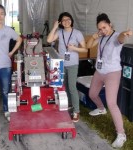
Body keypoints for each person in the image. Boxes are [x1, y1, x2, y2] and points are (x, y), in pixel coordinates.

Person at [87, 13, 132, 148]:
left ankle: (121, 134)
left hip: (112, 73)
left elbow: (121, 38)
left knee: (112, 103)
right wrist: (95, 36)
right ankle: (101, 109)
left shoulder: (116, 36)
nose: (103, 30)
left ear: (110, 24)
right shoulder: (101, 37)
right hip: (99, 71)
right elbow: (89, 46)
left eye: (104, 27)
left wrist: (125, 32)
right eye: (100, 28)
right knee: (92, 94)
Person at [47, 12, 87, 122]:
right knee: (64, 86)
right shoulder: (59, 32)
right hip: (61, 64)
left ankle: (76, 111)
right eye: (63, 20)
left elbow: (85, 49)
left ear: (72, 20)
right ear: (61, 22)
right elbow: (49, 40)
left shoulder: (77, 33)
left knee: (72, 87)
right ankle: (69, 104)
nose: (66, 21)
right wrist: (55, 27)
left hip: (73, 64)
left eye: (68, 19)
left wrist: (75, 49)